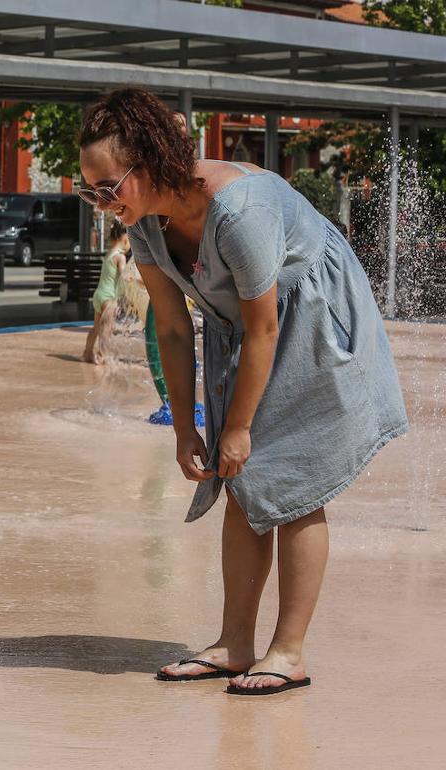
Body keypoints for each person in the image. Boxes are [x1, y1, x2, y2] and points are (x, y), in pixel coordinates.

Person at [78, 87, 407, 696]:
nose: (100, 203)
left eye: (108, 187)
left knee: (293, 483)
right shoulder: (146, 220)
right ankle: (235, 643)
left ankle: (289, 651)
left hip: (312, 320)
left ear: (149, 164)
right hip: (252, 331)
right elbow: (174, 330)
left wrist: (237, 426)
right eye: (88, 189)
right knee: (243, 487)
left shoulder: (238, 211)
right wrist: (186, 426)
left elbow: (265, 327)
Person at [82, 220, 129, 364]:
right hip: (109, 298)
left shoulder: (109, 254)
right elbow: (123, 276)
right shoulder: (120, 256)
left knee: (96, 328)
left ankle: (87, 353)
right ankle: (103, 356)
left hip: (98, 295)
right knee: (106, 330)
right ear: (125, 240)